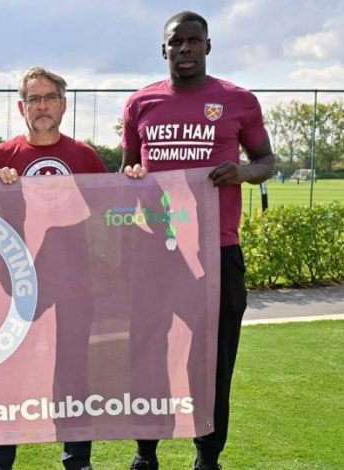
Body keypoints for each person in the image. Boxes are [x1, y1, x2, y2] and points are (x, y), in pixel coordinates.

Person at [121, 11, 275, 470]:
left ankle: (208, 457)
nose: (184, 49)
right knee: (148, 355)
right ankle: (145, 453)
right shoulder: (140, 103)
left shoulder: (238, 100)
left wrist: (243, 172)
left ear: (208, 46)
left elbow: (266, 161)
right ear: (163, 49)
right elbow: (128, 171)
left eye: (193, 41)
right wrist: (130, 178)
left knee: (212, 361)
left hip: (217, 251)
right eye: (176, 42)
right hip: (155, 252)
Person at [0, 67, 108, 470]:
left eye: (50, 98)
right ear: (22, 107)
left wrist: (134, 179)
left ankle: (77, 459)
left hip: (74, 283)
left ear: (64, 105)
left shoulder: (85, 157)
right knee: (10, 372)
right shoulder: (0, 157)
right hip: (16, 284)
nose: (42, 106)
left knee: (73, 371)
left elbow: (110, 210)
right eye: (34, 99)